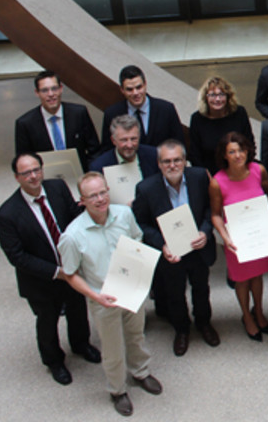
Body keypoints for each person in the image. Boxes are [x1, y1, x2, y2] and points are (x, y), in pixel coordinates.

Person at [59, 173, 162, 416]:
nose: (100, 199)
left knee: (136, 334)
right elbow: (70, 274)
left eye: (103, 192)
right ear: (81, 200)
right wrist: (94, 297)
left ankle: (141, 372)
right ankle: (117, 390)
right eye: (92, 196)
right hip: (102, 298)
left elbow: (137, 238)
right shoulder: (72, 235)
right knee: (113, 347)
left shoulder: (125, 215)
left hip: (131, 290)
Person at [0, 153, 99, 385]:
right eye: (26, 173)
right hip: (40, 279)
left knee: (77, 309)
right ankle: (54, 361)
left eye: (36, 169)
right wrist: (57, 272)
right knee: (47, 320)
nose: (33, 176)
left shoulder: (57, 187)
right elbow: (17, 257)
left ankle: (81, 344)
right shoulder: (7, 214)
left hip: (71, 269)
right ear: (16, 177)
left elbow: (74, 219)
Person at [132, 141, 219, 357]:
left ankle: (204, 323)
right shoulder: (146, 188)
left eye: (177, 160)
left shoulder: (199, 176)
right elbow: (141, 223)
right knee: (174, 293)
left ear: (185, 160)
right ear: (159, 164)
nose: (172, 165)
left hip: (198, 247)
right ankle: (181, 330)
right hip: (171, 254)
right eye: (167, 161)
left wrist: (205, 231)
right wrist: (161, 245)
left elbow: (211, 209)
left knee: (201, 288)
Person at [209, 132, 268, 342]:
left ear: (247, 151)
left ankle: (260, 311)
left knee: (258, 276)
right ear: (225, 156)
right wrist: (225, 237)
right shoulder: (217, 182)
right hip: (236, 239)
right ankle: (246, 315)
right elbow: (216, 215)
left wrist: (264, 211)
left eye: (241, 150)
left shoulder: (258, 170)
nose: (238, 155)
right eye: (232, 152)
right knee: (242, 280)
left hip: (258, 235)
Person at [15, 70, 100, 169]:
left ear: (61, 89)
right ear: (37, 93)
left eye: (54, 88)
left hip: (81, 175)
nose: (51, 94)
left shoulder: (79, 113)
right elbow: (24, 160)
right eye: (44, 90)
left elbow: (95, 150)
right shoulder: (25, 123)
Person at [100, 65, 184, 151]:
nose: (135, 93)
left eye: (139, 87)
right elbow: (107, 149)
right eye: (130, 89)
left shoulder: (166, 110)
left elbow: (178, 145)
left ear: (145, 85)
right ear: (122, 90)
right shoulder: (112, 114)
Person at [189, 76, 255, 175]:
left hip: (239, 172)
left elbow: (249, 144)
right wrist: (206, 176)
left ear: (228, 96)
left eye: (221, 94)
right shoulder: (197, 119)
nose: (218, 99)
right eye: (212, 95)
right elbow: (194, 154)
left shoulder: (239, 113)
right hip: (210, 176)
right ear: (205, 97)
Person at [88, 114, 159, 179]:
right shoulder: (99, 167)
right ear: (113, 140)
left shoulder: (154, 156)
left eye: (133, 139)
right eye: (124, 140)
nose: (129, 145)